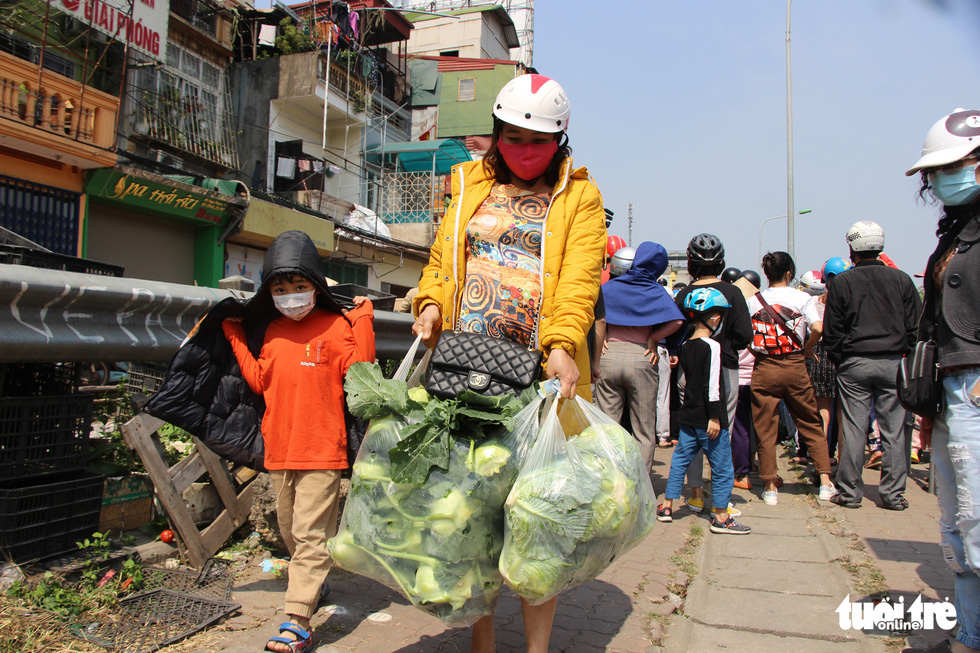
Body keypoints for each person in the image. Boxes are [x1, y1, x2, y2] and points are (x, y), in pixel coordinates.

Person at [411, 73, 606, 653]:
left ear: (561, 140)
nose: (524, 151)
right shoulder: (468, 181)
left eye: (538, 141)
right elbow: (443, 261)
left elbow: (578, 282)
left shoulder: (581, 196)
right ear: (496, 133)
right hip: (467, 371)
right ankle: (482, 643)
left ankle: (537, 648)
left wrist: (564, 345)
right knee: (472, 512)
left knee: (536, 518)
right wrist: (427, 305)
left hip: (540, 375)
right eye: (513, 137)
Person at [220, 230, 376, 653]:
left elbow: (362, 372)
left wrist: (363, 320)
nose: (290, 296)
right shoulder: (270, 330)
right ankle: (315, 582)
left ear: (316, 286)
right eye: (280, 288)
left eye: (299, 287)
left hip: (323, 450)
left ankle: (297, 620)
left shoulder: (336, 326)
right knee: (290, 528)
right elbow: (258, 380)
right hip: (279, 449)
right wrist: (234, 335)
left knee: (308, 534)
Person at [906, 108, 980, 653]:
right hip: (952, 391)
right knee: (959, 527)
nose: (935, 181)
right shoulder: (958, 230)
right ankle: (969, 634)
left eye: (950, 166)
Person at [822, 221, 921, 510]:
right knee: (894, 431)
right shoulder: (902, 280)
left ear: (851, 247)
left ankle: (850, 493)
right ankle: (892, 495)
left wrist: (843, 360)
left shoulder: (841, 282)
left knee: (853, 429)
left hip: (855, 364)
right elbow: (915, 327)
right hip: (894, 363)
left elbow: (832, 332)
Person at [657, 288, 751, 534]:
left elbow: (688, 383)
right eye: (719, 315)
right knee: (722, 468)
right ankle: (721, 518)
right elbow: (713, 386)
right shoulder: (714, 346)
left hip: (688, 416)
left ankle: (667, 506)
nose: (720, 319)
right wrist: (715, 416)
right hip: (709, 420)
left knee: (679, 462)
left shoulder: (687, 345)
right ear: (713, 318)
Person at [746, 251, 836, 505]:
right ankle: (826, 482)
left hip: (764, 366)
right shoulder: (803, 298)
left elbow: (746, 337)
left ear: (766, 274)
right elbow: (818, 327)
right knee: (810, 422)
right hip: (796, 364)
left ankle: (771, 486)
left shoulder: (754, 301)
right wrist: (808, 349)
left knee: (765, 427)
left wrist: (759, 352)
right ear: (789, 274)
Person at [673, 234, 753, 514]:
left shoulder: (682, 295)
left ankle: (694, 493)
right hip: (725, 368)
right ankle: (721, 499)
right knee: (720, 432)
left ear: (690, 264)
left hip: (688, 370)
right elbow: (745, 335)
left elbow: (674, 334)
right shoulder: (732, 293)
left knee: (690, 430)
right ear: (721, 263)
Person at [595, 241, 685, 472]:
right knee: (643, 430)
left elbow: (599, 319)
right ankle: (639, 484)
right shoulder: (656, 290)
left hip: (609, 356)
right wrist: (655, 338)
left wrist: (602, 339)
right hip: (643, 357)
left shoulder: (611, 286)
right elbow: (677, 320)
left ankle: (606, 479)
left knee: (607, 426)